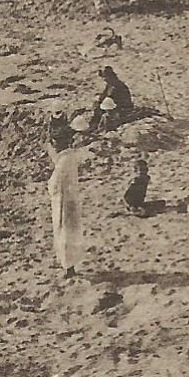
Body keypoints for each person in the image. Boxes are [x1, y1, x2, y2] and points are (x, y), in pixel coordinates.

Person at [45, 126, 85, 279]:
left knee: (64, 232)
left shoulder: (64, 161)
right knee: (70, 232)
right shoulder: (69, 156)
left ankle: (69, 267)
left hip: (63, 200)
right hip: (71, 198)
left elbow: (54, 183)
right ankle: (69, 264)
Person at [93, 66, 133, 131]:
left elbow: (110, 97)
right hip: (114, 105)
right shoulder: (110, 84)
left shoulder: (116, 86)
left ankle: (99, 127)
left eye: (105, 77)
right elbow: (104, 94)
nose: (105, 79)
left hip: (121, 108)